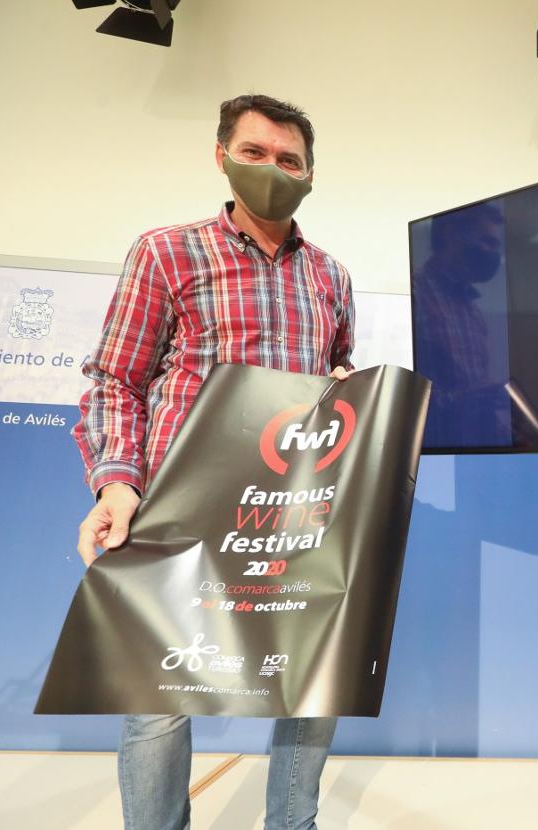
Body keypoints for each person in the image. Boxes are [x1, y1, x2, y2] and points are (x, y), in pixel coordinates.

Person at [72, 93, 354, 830]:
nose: (272, 169)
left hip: (293, 516)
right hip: (180, 508)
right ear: (222, 156)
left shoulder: (331, 277)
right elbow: (116, 379)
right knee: (160, 700)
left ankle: (293, 824)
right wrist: (117, 483)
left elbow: (336, 390)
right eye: (255, 153)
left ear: (311, 174)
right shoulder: (166, 252)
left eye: (289, 159)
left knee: (310, 686)